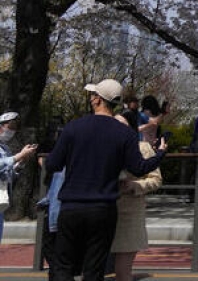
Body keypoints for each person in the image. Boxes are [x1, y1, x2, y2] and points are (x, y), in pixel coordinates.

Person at [44, 78, 166, 281]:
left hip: (72, 205)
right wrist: (160, 153)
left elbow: (53, 164)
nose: (91, 99)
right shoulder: (124, 133)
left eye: (93, 95)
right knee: (94, 267)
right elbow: (139, 167)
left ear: (98, 100)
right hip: (104, 207)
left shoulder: (74, 128)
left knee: (63, 265)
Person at [110, 113, 163, 281]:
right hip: (102, 212)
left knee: (122, 273)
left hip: (129, 213)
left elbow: (156, 179)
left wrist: (135, 186)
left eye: (122, 124)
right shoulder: (101, 147)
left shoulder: (142, 147)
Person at [0, 112, 38, 244]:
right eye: (10, 126)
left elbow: (8, 175)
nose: (12, 130)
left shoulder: (4, 148)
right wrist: (19, 156)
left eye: (14, 127)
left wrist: (21, 163)